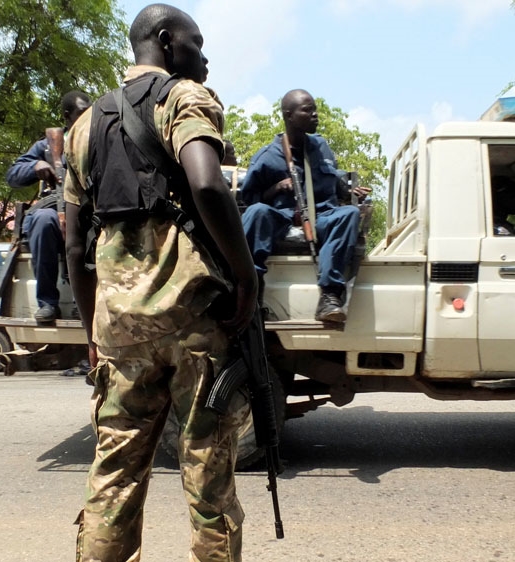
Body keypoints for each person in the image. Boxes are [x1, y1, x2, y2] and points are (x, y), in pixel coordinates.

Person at [61, 4, 257, 561]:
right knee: (209, 478)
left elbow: (76, 248)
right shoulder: (183, 98)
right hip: (194, 325)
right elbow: (208, 185)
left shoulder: (83, 127)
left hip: (120, 330)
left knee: (113, 479)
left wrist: (93, 329)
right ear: (168, 41)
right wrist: (244, 277)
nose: (205, 58)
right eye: (197, 44)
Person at [239, 89, 370, 323]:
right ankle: (250, 293)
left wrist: (348, 192)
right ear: (289, 115)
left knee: (349, 213)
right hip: (284, 219)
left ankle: (329, 298)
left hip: (322, 216)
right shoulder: (267, 157)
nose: (315, 115)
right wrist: (276, 188)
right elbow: (249, 198)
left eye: (315, 109)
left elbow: (333, 181)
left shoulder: (321, 147)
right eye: (307, 110)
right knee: (256, 212)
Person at [5, 90, 92, 322]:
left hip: (86, 211)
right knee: (43, 221)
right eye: (82, 113)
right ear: (67, 116)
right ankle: (48, 303)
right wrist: (35, 167)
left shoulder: (97, 141)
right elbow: (12, 175)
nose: (87, 118)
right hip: (52, 211)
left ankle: (85, 303)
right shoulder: (46, 146)